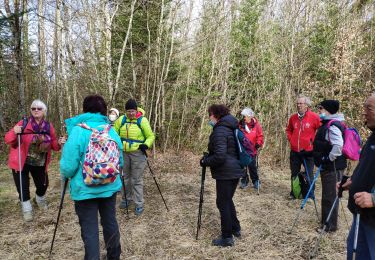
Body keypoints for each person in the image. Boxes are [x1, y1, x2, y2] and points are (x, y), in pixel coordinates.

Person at [60, 95, 123, 260]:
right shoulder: (111, 130)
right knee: (110, 222)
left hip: (85, 189)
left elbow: (68, 167)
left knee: (90, 229)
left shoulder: (78, 131)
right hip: (109, 186)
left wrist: (67, 174)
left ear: (84, 109)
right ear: (103, 110)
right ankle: (114, 256)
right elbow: (120, 161)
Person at [4, 99, 65, 222]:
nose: (36, 110)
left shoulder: (48, 126)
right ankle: (27, 209)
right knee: (23, 187)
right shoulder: (24, 123)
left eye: (39, 108)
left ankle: (39, 199)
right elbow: (8, 139)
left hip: (40, 162)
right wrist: (15, 133)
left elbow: (54, 144)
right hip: (21, 162)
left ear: (44, 111)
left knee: (43, 184)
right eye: (33, 108)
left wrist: (59, 143)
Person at [200, 104, 243, 247]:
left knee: (222, 203)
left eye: (210, 115)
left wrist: (206, 161)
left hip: (226, 172)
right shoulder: (231, 127)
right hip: (235, 170)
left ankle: (227, 237)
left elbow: (220, 156)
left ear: (216, 115)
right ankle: (235, 228)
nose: (209, 118)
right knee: (227, 200)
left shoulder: (220, 131)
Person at [342, 93, 375, 259]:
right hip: (361, 215)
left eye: (368, 108)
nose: (364, 113)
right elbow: (366, 166)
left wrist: (374, 198)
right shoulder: (373, 136)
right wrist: (354, 181)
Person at [114, 98, 155, 216]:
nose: (130, 113)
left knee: (136, 179)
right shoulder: (121, 120)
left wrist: (146, 145)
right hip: (123, 153)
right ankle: (126, 199)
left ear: (136, 110)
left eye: (132, 111)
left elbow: (150, 136)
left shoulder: (142, 120)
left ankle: (139, 204)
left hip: (138, 153)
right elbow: (114, 133)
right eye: (128, 111)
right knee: (124, 178)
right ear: (125, 111)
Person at [313, 99, 347, 232]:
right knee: (330, 194)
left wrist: (328, 158)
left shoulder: (332, 125)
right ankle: (327, 222)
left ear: (328, 110)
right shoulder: (331, 123)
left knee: (330, 196)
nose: (319, 111)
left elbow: (338, 146)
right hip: (332, 166)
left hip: (332, 167)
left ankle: (329, 226)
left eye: (320, 108)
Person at [286, 95, 320, 199]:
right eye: (298, 103)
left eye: (301, 103)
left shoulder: (314, 117)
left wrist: (315, 143)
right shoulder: (293, 118)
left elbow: (321, 129)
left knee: (309, 174)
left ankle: (309, 194)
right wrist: (291, 140)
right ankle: (294, 193)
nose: (299, 105)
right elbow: (288, 130)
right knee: (294, 173)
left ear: (306, 105)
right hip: (295, 151)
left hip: (308, 152)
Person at [238, 107, 264, 190]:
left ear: (250, 117)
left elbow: (260, 136)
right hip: (242, 149)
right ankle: (244, 180)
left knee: (252, 166)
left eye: (245, 116)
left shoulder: (257, 125)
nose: (244, 118)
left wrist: (258, 143)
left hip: (252, 149)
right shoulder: (240, 125)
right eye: (243, 116)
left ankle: (255, 181)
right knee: (242, 166)